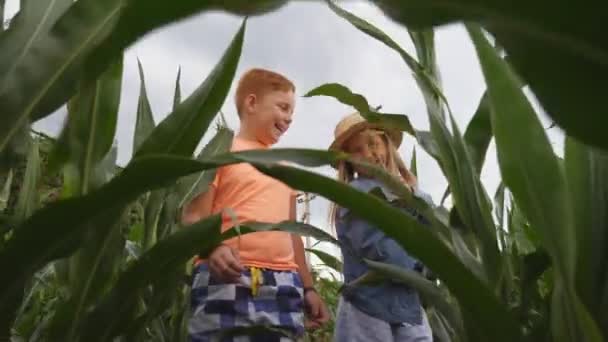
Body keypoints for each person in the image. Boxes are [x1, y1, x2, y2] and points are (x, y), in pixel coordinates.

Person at [183, 68, 329, 342]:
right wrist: (212, 247)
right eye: (283, 107)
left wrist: (308, 288)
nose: (289, 118)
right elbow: (192, 216)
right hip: (227, 278)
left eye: (292, 112)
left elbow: (293, 233)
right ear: (251, 103)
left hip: (285, 283)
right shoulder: (221, 152)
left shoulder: (284, 166)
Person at [329, 112, 433, 342]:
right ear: (348, 160)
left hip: (406, 303)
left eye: (373, 143)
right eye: (357, 150)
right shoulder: (355, 193)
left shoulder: (402, 193)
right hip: (368, 308)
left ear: (386, 144)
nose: (368, 153)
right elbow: (379, 249)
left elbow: (432, 229)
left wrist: (416, 194)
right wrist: (421, 270)